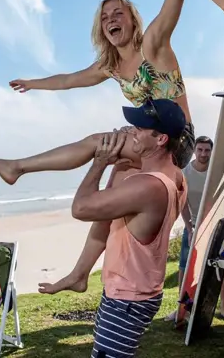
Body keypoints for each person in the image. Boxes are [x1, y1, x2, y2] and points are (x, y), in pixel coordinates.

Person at [0, 0, 195, 295]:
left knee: (102, 143)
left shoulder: (154, 45)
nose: (110, 18)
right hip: (145, 142)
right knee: (111, 196)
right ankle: (80, 273)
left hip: (176, 139)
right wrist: (33, 83)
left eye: (118, 12)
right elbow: (68, 79)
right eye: (104, 16)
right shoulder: (110, 66)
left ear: (132, 19)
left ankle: (18, 168)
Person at [69, 97, 188, 357]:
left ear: (161, 139)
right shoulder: (176, 179)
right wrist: (117, 170)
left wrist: (99, 163)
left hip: (128, 299)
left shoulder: (148, 186)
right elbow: (111, 217)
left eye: (140, 128)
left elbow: (81, 208)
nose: (132, 131)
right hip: (130, 293)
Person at [164, 135, 224, 324]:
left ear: (211, 151)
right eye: (200, 150)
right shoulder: (185, 173)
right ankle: (180, 308)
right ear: (195, 151)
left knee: (221, 267)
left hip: (215, 225)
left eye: (207, 150)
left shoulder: (216, 171)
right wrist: (189, 228)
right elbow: (183, 205)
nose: (203, 154)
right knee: (184, 268)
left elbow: (222, 197)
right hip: (194, 226)